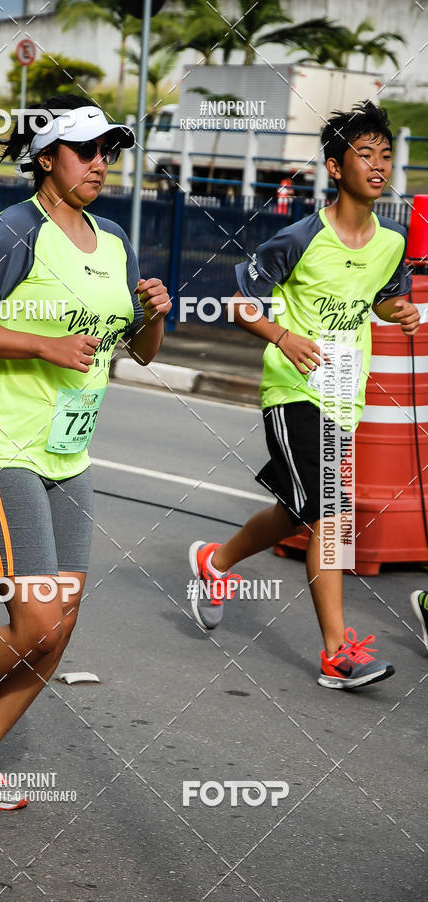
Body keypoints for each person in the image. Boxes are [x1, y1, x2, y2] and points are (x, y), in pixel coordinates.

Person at [0, 95, 172, 809]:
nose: (101, 164)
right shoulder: (19, 229)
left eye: (109, 152)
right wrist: (42, 345)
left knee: (61, 627)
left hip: (69, 457)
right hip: (3, 450)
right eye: (86, 151)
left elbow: (138, 351)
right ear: (47, 159)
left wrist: (153, 316)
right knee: (37, 622)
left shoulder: (113, 238)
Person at [189, 101, 420, 690]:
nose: (378, 165)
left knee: (301, 509)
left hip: (345, 393)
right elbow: (240, 303)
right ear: (335, 167)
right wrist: (283, 336)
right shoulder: (300, 236)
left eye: (385, 155)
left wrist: (399, 311)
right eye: (364, 155)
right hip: (294, 389)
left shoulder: (391, 241)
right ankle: (338, 653)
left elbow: (381, 297)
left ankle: (215, 561)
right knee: (330, 510)